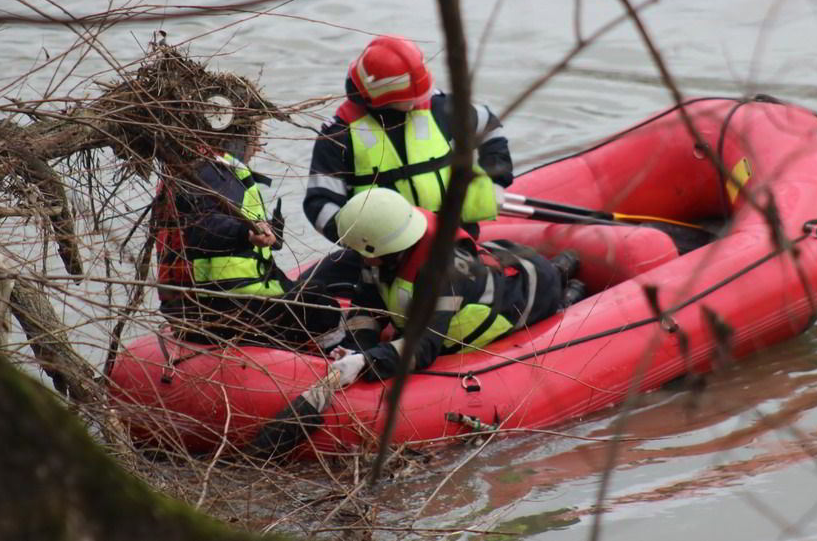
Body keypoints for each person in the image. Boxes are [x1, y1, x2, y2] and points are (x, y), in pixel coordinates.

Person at [302, 35, 514, 294]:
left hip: (455, 242)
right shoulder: (339, 136)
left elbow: (489, 126)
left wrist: (497, 179)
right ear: (382, 98)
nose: (418, 102)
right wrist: (361, 244)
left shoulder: (437, 107)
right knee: (307, 291)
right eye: (410, 98)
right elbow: (319, 205)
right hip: (384, 258)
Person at [323, 188, 587, 386]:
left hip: (527, 295)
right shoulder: (385, 254)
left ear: (382, 246)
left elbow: (424, 347)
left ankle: (570, 288)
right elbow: (365, 307)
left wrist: (367, 362)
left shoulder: (438, 274)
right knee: (546, 271)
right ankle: (563, 268)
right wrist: (357, 347)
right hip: (504, 264)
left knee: (555, 291)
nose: (357, 256)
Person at [153, 115, 340, 345]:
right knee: (321, 302)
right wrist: (246, 233)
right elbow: (201, 227)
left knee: (303, 290)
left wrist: (262, 233)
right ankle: (328, 362)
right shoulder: (216, 172)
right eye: (256, 138)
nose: (258, 148)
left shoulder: (189, 168)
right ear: (238, 138)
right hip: (220, 312)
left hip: (187, 314)